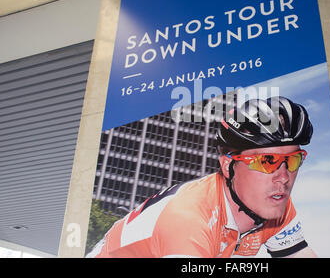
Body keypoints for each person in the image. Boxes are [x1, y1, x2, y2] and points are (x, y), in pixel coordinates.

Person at [87, 96, 317, 258]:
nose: (284, 178)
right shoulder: (188, 217)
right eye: (267, 161)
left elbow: (298, 253)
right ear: (228, 166)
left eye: (293, 160)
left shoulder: (275, 202)